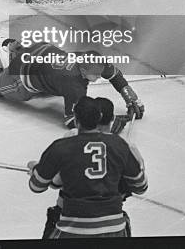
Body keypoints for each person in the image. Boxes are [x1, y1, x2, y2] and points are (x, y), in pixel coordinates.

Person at [0, 35, 145, 129]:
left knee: (48, 85)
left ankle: (13, 54)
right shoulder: (73, 84)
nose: (98, 78)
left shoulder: (91, 61)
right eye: (95, 76)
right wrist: (105, 124)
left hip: (42, 50)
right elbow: (71, 121)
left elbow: (114, 74)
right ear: (82, 71)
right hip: (22, 73)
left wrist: (130, 97)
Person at [29, 96, 148, 239]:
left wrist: (36, 169)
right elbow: (141, 186)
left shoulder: (64, 143)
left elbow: (44, 185)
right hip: (113, 227)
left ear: (76, 120)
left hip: (72, 225)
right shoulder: (121, 145)